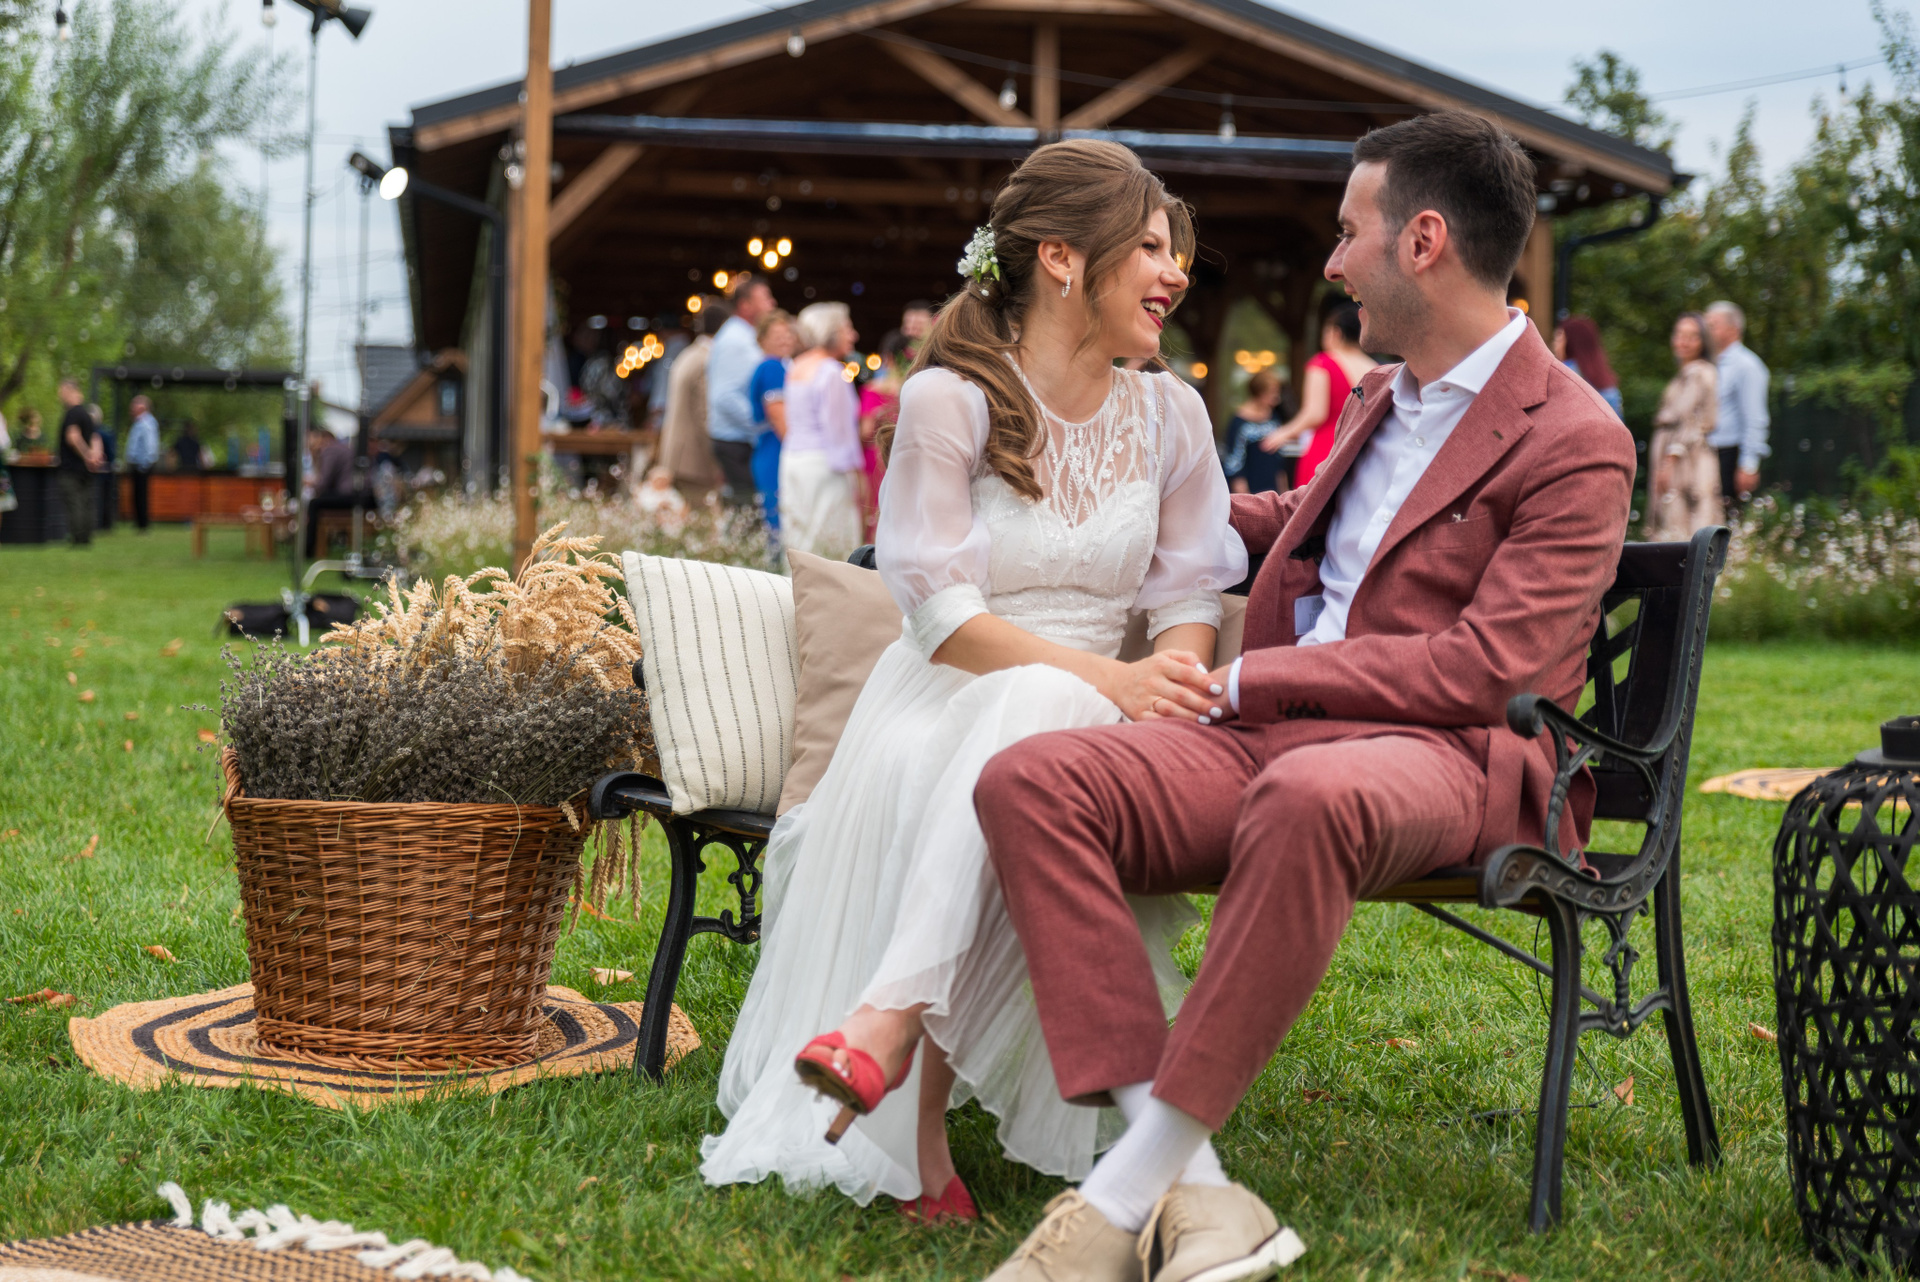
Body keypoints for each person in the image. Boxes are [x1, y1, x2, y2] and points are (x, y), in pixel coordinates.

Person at [968, 110, 1636, 1282]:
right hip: (1279, 739)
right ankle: (1197, 1184)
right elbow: (1296, 526)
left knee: (1310, 796)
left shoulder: (1578, 438)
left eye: (1347, 231)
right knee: (1032, 780)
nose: (1332, 263)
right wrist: (1120, 498)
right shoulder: (1384, 395)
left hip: (1457, 754)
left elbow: (1489, 667)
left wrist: (1254, 676)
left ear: (1423, 241)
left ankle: (1118, 1196)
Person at [702, 140, 1242, 1226]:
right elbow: (942, 620)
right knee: (1030, 717)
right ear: (1060, 258)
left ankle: (891, 1024)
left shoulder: (1173, 416)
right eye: (1149, 247)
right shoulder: (950, 400)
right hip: (953, 687)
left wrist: (1164, 682)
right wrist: (1110, 681)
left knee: (1042, 724)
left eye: (1173, 249)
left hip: (1113, 701)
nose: (1174, 271)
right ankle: (916, 1093)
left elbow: (1191, 591)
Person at [775, 302, 866, 557]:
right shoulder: (831, 371)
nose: (853, 335)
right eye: (847, 328)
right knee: (830, 542)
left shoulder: (796, 367)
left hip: (793, 460)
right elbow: (839, 432)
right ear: (831, 331)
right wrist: (857, 475)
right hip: (825, 466)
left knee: (798, 538)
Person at [1272, 302, 1375, 487]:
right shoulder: (1376, 367)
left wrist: (1283, 433)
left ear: (1336, 332)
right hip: (1364, 451)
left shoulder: (1323, 363)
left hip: (1327, 450)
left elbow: (1315, 414)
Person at [1644, 312, 1721, 541]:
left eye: (1692, 336)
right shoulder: (1687, 373)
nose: (1684, 342)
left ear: (1703, 341)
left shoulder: (1699, 372)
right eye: (1679, 335)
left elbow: (1692, 420)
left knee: (1681, 518)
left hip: (1686, 457)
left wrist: (1671, 459)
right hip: (1677, 451)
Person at [707, 272, 778, 506]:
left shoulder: (745, 336)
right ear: (745, 305)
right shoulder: (735, 340)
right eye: (765, 298)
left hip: (741, 439)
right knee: (749, 511)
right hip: (737, 442)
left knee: (749, 509)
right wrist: (763, 424)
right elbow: (725, 396)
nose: (772, 303)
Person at [1705, 300, 1770, 510]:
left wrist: (1748, 465)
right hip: (1706, 454)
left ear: (1733, 329)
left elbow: (1755, 417)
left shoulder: (1747, 365)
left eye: (1713, 325)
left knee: (1725, 520)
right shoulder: (1710, 364)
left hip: (1729, 454)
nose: (1706, 330)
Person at [657, 299, 727, 497]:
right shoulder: (706, 360)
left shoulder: (690, 354)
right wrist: (719, 462)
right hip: (694, 459)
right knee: (703, 514)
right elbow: (704, 413)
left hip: (679, 453)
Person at [749, 309, 796, 534]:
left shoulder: (780, 365)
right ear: (762, 340)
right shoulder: (772, 367)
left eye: (787, 334)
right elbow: (779, 417)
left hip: (769, 449)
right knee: (780, 521)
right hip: (776, 450)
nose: (784, 340)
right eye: (777, 336)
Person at [1220, 370, 1286, 494]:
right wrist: (1245, 497)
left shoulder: (1274, 417)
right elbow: (1235, 462)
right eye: (1272, 392)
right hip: (1250, 488)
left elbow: (1278, 461)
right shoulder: (1239, 423)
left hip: (1272, 488)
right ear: (1260, 392)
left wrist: (1283, 492)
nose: (1276, 396)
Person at [55, 378, 103, 547]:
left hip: (71, 468)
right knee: (86, 502)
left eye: (61, 392)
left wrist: (87, 455)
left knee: (74, 502)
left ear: (69, 390)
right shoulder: (86, 414)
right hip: (86, 469)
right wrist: (96, 457)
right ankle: (86, 537)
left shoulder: (72, 413)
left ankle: (77, 538)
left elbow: (73, 437)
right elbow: (95, 437)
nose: (60, 396)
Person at [1554, 315, 1623, 419]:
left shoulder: (1561, 372)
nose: (1555, 344)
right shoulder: (1607, 382)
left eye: (1559, 338)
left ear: (1570, 342)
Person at [303, 426, 357, 557]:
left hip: (348, 496)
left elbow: (323, 482)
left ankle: (309, 548)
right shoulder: (343, 448)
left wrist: (307, 481)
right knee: (319, 500)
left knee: (314, 504)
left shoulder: (330, 450)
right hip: (356, 494)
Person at [125, 395, 160, 532]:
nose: (132, 408)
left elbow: (151, 445)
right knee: (137, 494)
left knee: (141, 494)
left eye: (135, 405)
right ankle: (139, 521)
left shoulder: (146, 423)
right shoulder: (139, 422)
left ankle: (143, 523)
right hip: (138, 464)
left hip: (142, 465)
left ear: (142, 407)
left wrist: (146, 463)